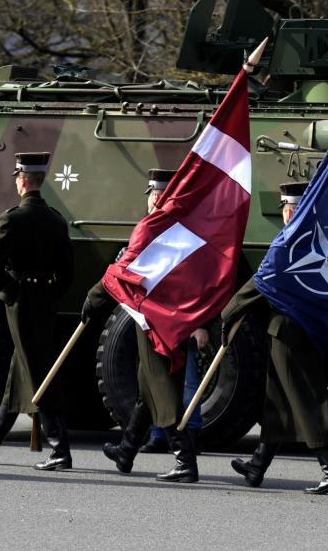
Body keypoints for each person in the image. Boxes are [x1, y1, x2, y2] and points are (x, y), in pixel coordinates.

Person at [224, 181, 328, 495]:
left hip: (287, 333)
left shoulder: (288, 241)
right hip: (304, 330)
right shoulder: (318, 241)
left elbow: (260, 283)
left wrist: (228, 314)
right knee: (277, 402)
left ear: (290, 209)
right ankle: (257, 466)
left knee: (305, 401)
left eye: (283, 206)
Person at [85, 168, 201, 483]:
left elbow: (123, 271)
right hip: (172, 322)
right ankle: (127, 449)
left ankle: (184, 460)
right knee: (148, 389)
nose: (152, 200)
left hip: (153, 324)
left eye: (154, 194)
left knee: (161, 390)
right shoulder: (185, 231)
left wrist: (95, 298)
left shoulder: (150, 229)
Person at [0, 152, 74, 470]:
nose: (16, 181)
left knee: (37, 371)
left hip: (21, 301)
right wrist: (49, 294)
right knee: (22, 367)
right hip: (44, 301)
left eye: (17, 177)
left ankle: (59, 448)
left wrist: (10, 289)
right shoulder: (56, 220)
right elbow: (67, 272)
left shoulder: (13, 219)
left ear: (23, 180)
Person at [135, 170, 205, 454]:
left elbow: (195, 284)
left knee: (186, 378)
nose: (151, 202)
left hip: (175, 319)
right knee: (152, 379)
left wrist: (198, 324)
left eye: (154, 196)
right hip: (152, 319)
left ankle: (191, 434)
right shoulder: (148, 229)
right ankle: (154, 435)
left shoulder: (180, 235)